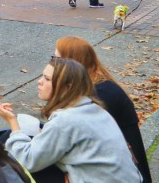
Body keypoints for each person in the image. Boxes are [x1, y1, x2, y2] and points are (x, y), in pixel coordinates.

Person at [0, 57, 143, 183]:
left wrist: (13, 123)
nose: (39, 82)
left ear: (67, 87)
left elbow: (28, 160)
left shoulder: (66, 121)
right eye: (42, 77)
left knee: (15, 159)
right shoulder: (95, 109)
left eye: (47, 79)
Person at [54, 37, 152, 182]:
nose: (52, 64)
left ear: (72, 62)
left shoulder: (101, 94)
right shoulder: (97, 86)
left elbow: (72, 134)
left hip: (120, 174)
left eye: (56, 59)